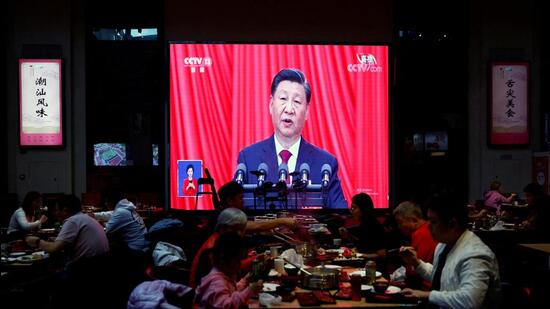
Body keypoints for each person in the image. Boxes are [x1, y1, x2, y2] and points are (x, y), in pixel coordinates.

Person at [236, 68, 347, 209]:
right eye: (283, 99)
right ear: (271, 105)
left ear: (306, 111)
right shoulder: (248, 158)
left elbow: (340, 214)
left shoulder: (326, 163)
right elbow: (235, 215)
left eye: (296, 101)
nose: (289, 109)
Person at [400, 193, 501, 308]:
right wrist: (416, 263)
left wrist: (426, 295)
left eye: (433, 222)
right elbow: (444, 277)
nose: (428, 226)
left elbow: (470, 301)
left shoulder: (475, 255)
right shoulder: (443, 245)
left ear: (452, 223)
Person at [194, 232, 264, 309]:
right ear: (223, 260)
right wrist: (249, 290)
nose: (239, 264)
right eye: (237, 260)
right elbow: (227, 305)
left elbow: (230, 292)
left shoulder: (221, 276)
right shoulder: (216, 283)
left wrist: (244, 280)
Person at [189, 207, 252, 288]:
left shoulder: (225, 242)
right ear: (222, 228)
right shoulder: (213, 248)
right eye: (235, 229)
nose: (239, 234)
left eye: (242, 230)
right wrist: (253, 260)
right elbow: (228, 268)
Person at [217, 181, 298, 233]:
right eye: (240, 198)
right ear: (229, 201)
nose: (243, 201)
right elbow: (255, 226)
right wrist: (282, 220)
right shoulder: (225, 217)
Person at [393, 200, 438, 289]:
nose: (399, 227)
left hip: (425, 290)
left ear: (414, 220)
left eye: (400, 222)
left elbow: (417, 271)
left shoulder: (422, 233)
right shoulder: (421, 232)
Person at [338, 193, 387, 258]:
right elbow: (363, 246)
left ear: (364, 209)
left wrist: (359, 255)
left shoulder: (373, 226)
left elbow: (382, 254)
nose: (351, 211)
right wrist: (348, 236)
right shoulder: (364, 223)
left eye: (354, 208)